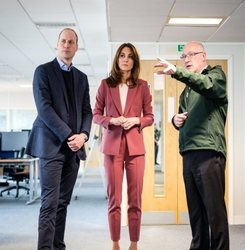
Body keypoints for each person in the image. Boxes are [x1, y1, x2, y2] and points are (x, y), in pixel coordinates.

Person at [155, 41, 229, 250]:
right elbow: (183, 116)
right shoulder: (186, 91)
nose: (186, 59)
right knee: (196, 213)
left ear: (203, 56)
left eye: (191, 55)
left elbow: (206, 85)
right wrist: (174, 120)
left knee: (214, 213)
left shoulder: (216, 76)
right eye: (184, 56)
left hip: (208, 153)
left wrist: (176, 71)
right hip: (189, 153)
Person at [26, 28, 92, 250]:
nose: (66, 45)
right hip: (51, 147)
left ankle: (58, 246)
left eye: (71, 42)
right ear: (57, 44)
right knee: (50, 203)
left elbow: (87, 111)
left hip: (74, 149)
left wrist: (83, 136)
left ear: (76, 46)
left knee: (63, 203)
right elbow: (45, 109)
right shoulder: (43, 72)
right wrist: (69, 136)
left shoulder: (81, 78)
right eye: (63, 41)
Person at [93, 43, 154, 250]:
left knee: (135, 199)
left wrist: (136, 121)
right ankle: (115, 243)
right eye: (122, 56)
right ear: (117, 60)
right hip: (112, 148)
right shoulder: (105, 85)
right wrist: (112, 120)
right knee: (114, 199)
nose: (125, 59)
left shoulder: (143, 86)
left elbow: (149, 117)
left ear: (134, 61)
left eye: (129, 56)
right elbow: (96, 115)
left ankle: (134, 243)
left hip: (136, 149)